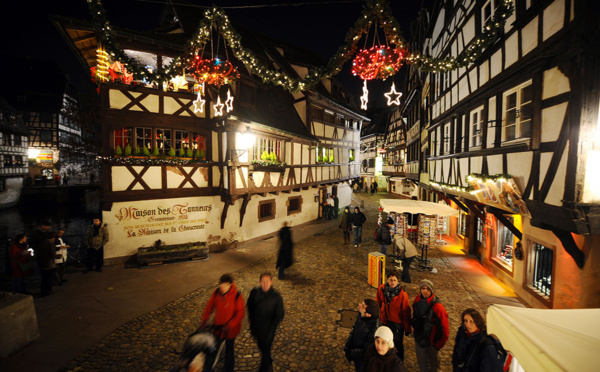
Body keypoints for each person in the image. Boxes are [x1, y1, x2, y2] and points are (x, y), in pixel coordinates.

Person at [201, 273, 245, 372]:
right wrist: (204, 319)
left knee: (229, 349)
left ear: (230, 284)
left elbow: (240, 314)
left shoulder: (237, 295)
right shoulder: (216, 293)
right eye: (221, 285)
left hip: (230, 330)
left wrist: (229, 325)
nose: (223, 287)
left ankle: (229, 368)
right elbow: (209, 306)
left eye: (225, 285)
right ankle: (210, 365)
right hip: (217, 328)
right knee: (213, 348)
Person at [247, 272, 285, 372]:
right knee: (262, 348)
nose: (265, 284)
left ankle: (264, 368)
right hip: (256, 329)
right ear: (260, 282)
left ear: (271, 282)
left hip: (268, 331)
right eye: (263, 281)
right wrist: (252, 321)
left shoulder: (276, 297)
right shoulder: (254, 292)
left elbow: (279, 315)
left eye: (267, 281)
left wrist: (271, 330)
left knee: (266, 350)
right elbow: (250, 307)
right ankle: (269, 361)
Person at [412, 279, 450, 372]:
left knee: (433, 367)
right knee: (422, 364)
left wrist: (437, 345)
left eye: (428, 289)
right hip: (419, 339)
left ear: (431, 290)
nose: (425, 291)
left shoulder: (438, 307)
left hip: (432, 344)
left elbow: (444, 329)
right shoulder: (417, 300)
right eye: (423, 288)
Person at [375, 270, 411, 361]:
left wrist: (407, 328)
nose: (392, 282)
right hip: (384, 321)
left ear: (398, 281)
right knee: (383, 342)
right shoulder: (382, 289)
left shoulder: (403, 294)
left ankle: (398, 363)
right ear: (387, 279)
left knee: (397, 345)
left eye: (395, 280)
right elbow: (377, 303)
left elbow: (406, 312)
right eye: (391, 280)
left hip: (397, 325)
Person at [345, 299, 381, 371]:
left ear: (368, 314)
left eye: (363, 306)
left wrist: (351, 354)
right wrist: (348, 344)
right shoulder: (362, 315)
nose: (359, 305)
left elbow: (366, 351)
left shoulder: (374, 331)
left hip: (363, 361)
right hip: (356, 352)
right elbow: (355, 328)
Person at [38, 231, 58, 297]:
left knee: (44, 279)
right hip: (49, 264)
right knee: (49, 278)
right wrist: (58, 256)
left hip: (41, 263)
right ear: (52, 238)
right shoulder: (50, 244)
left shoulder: (41, 243)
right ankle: (48, 290)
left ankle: (43, 291)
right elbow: (53, 255)